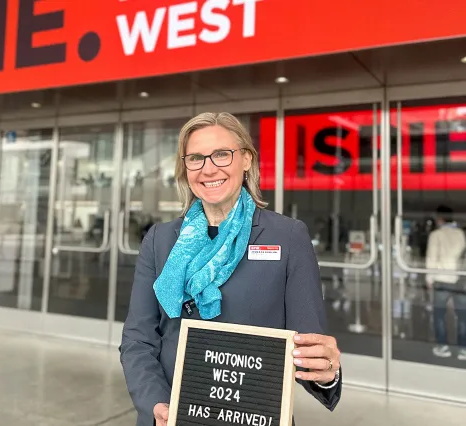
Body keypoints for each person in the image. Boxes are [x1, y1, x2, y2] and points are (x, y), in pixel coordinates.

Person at [119, 112, 342, 426]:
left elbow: (308, 348)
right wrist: (156, 402)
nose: (209, 168)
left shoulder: (287, 237)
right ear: (185, 168)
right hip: (172, 417)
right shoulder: (160, 239)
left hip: (254, 416)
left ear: (247, 160)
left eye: (222, 154)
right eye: (196, 158)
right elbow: (138, 339)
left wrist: (325, 372)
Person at [426, 205, 466, 360]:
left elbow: (431, 258)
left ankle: (443, 346)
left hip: (441, 279)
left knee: (439, 315)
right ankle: (463, 349)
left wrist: (429, 278)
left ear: (439, 219)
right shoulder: (460, 234)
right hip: (459, 279)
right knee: (462, 315)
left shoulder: (436, 235)